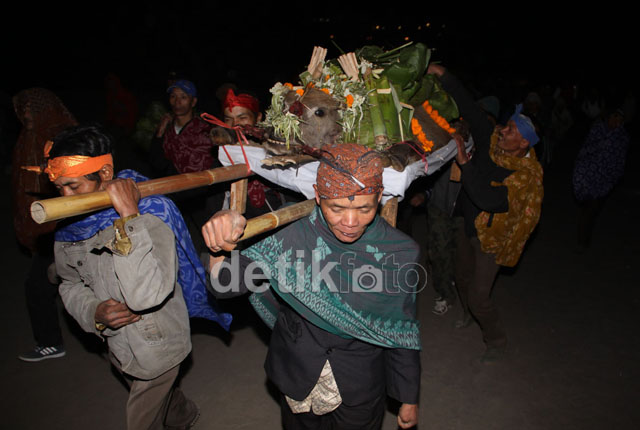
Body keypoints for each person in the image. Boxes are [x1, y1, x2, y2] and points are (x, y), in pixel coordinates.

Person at [202, 142, 421, 429]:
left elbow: (401, 330)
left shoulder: (399, 252)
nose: (351, 222)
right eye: (337, 208)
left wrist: (408, 397)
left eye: (365, 208)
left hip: (361, 384)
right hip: (296, 372)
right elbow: (224, 285)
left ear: (379, 197)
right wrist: (222, 232)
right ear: (318, 196)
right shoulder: (290, 232)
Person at [37, 124, 233, 429]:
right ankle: (183, 414)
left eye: (74, 187)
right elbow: (69, 281)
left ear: (104, 174)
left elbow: (145, 296)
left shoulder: (151, 213)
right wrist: (94, 312)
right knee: (160, 398)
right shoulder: (69, 227)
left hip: (159, 345)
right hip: (116, 344)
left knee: (143, 416)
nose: (65, 197)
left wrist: (129, 219)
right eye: (60, 187)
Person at [427, 64, 544, 364]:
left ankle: (496, 340)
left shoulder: (525, 177)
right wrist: (445, 75)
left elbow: (488, 199)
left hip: (493, 238)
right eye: (506, 126)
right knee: (461, 276)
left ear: (524, 143)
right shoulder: (494, 142)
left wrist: (465, 163)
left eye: (510, 131)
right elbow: (472, 110)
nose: (502, 131)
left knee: (480, 296)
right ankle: (468, 315)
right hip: (470, 226)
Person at [12, 88, 77, 362]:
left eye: (33, 107)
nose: (27, 113)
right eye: (23, 107)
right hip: (42, 224)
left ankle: (50, 342)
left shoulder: (62, 137)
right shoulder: (25, 139)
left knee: (38, 285)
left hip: (62, 223)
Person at [149, 79, 219, 255]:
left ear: (193, 101)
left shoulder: (204, 129)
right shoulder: (167, 129)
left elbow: (209, 161)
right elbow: (157, 162)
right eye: (173, 97)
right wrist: (160, 132)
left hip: (200, 193)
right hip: (175, 192)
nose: (177, 102)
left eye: (183, 97)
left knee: (207, 237)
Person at [220, 88, 288, 217]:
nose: (235, 124)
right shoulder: (222, 152)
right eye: (228, 119)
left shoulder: (274, 146)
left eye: (242, 117)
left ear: (258, 118)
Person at [572, 108, 629, 251]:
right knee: (587, 208)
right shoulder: (597, 131)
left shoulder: (622, 137)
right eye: (613, 118)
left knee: (593, 209)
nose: (615, 123)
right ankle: (582, 240)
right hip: (588, 176)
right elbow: (585, 149)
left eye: (619, 120)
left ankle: (584, 240)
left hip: (605, 179)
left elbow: (620, 160)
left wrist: (614, 177)